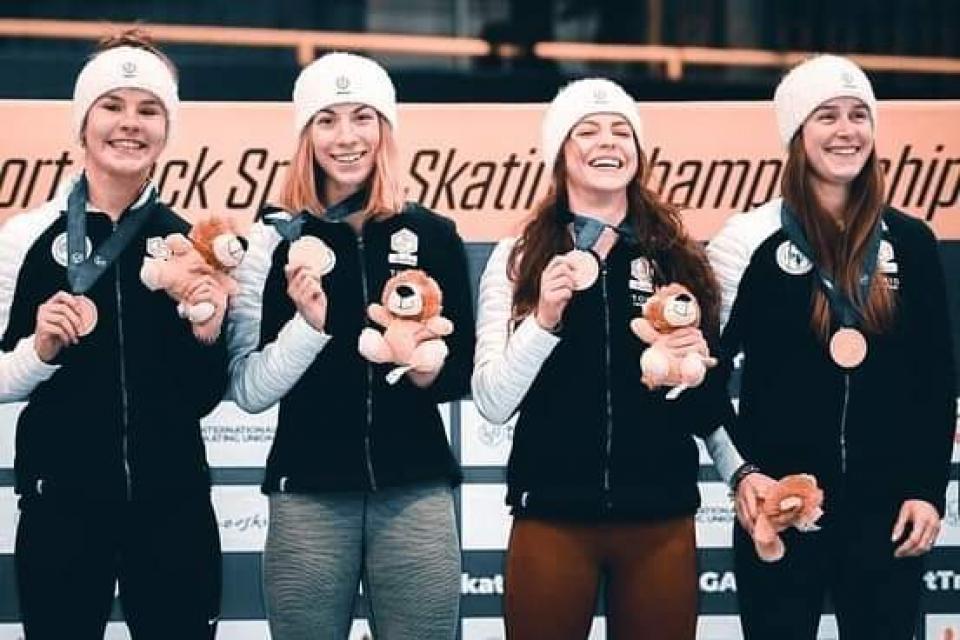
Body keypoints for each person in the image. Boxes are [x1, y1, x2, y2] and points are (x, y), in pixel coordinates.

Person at [471, 77, 740, 640]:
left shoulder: (678, 258)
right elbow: (493, 401)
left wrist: (692, 371)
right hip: (552, 516)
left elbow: (708, 406)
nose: (607, 142)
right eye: (587, 131)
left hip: (660, 518)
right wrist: (544, 319)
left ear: (639, 156)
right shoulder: (519, 257)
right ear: (560, 155)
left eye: (622, 131)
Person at [225, 52, 474, 639]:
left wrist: (417, 362)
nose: (346, 137)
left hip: (415, 489)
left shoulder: (434, 234)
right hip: (308, 492)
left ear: (384, 130)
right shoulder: (274, 239)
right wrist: (307, 327)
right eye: (327, 120)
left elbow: (459, 369)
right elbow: (250, 392)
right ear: (306, 136)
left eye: (362, 117)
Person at [707, 54, 956, 639]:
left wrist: (926, 490)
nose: (847, 131)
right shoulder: (748, 240)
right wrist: (743, 473)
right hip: (781, 509)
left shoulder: (913, 242)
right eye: (826, 116)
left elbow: (935, 380)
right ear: (796, 133)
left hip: (887, 515)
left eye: (858, 116)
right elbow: (704, 378)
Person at [0, 30, 227, 640]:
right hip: (61, 511)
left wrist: (207, 335)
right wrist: (40, 352)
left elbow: (207, 395)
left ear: (166, 130)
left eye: (149, 109)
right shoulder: (24, 238)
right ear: (82, 123)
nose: (130, 124)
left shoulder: (191, 245)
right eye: (113, 105)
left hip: (173, 510)